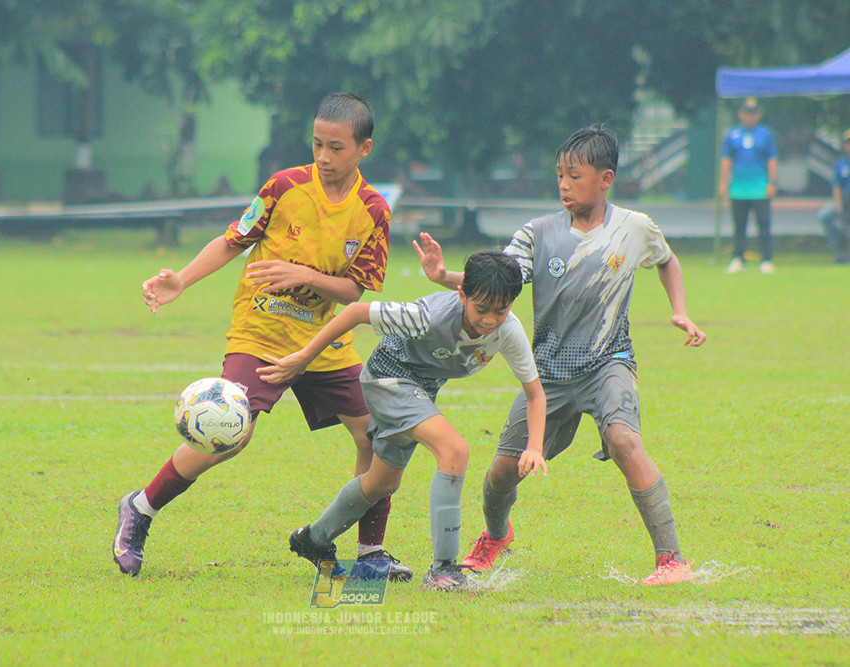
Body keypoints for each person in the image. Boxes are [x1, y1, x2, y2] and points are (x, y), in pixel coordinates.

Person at [112, 92, 413, 580]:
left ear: (364, 149)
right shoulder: (285, 186)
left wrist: (306, 275)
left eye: (336, 147)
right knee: (232, 435)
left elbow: (355, 290)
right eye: (317, 144)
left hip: (325, 340)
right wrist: (182, 280)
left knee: (377, 438)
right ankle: (140, 509)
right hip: (261, 330)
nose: (323, 157)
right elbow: (234, 240)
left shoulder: (373, 210)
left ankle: (371, 554)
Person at [415, 124, 707, 586]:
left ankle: (671, 559)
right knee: (500, 475)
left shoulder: (634, 227)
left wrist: (680, 311)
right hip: (547, 375)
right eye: (559, 176)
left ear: (606, 178)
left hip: (609, 362)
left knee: (625, 442)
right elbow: (498, 279)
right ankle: (496, 536)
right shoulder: (538, 234)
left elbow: (666, 259)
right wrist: (445, 276)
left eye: (575, 175)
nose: (564, 185)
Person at [259, 251, 546, 591]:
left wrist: (534, 446)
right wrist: (304, 357)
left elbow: (535, 394)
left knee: (381, 483)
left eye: (501, 310)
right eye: (481, 309)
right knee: (454, 450)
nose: (489, 320)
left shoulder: (508, 331)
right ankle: (443, 569)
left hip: (420, 391)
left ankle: (314, 538)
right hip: (388, 380)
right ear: (462, 295)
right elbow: (355, 311)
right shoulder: (426, 317)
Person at [720, 97, 779, 274]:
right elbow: (726, 160)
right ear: (741, 114)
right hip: (738, 188)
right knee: (739, 225)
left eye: (753, 114)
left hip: (759, 188)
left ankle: (766, 259)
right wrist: (723, 183)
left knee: (764, 224)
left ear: (759, 115)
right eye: (747, 113)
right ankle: (738, 258)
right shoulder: (732, 134)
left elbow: (772, 159)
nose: (750, 117)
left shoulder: (765, 134)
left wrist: (772, 182)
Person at [823, 128, 850, 263]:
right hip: (845, 202)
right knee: (825, 216)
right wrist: (839, 206)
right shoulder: (841, 164)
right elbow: (837, 186)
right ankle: (839, 249)